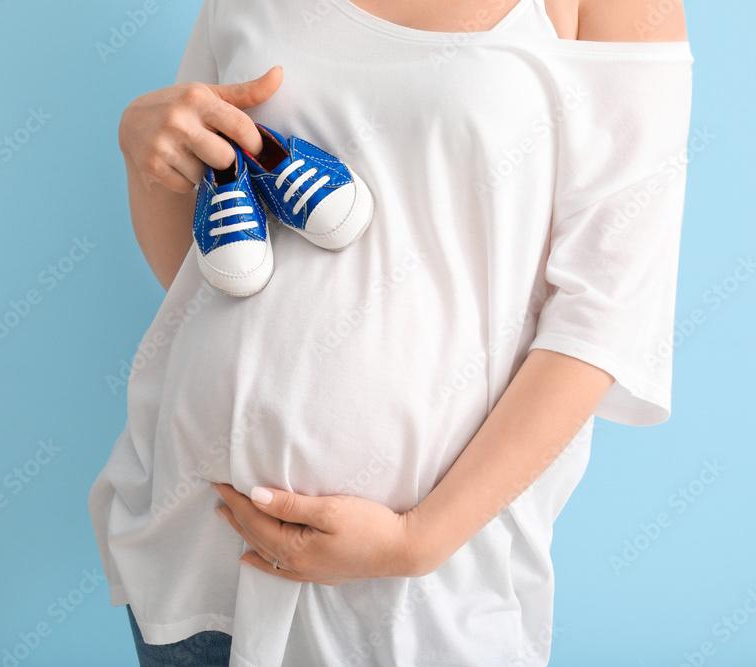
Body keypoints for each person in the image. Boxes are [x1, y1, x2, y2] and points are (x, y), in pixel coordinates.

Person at [89, 0, 693, 664]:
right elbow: (199, 276)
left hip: (419, 594)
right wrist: (145, 163)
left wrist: (417, 540)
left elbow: (608, 309)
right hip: (200, 550)